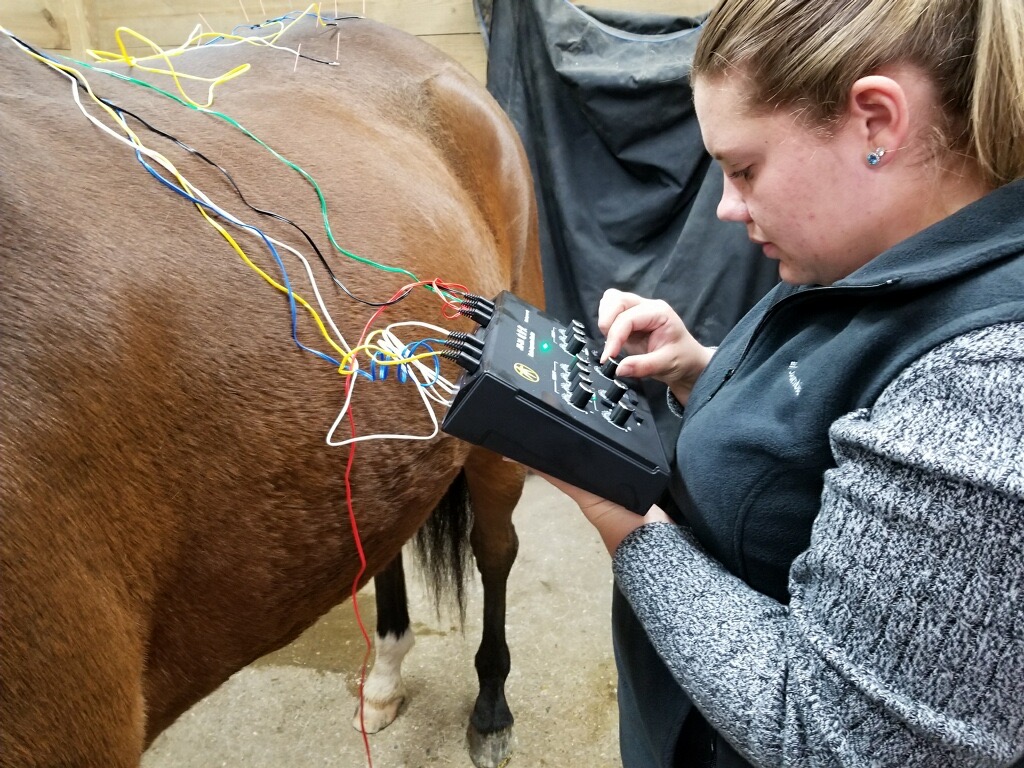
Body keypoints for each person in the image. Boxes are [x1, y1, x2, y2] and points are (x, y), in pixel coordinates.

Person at [539, 0, 1024, 766]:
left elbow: (836, 741)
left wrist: (621, 517)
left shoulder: (988, 390)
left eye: (743, 169)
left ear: (875, 123)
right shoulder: (875, 249)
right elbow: (832, 429)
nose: (729, 206)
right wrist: (702, 368)